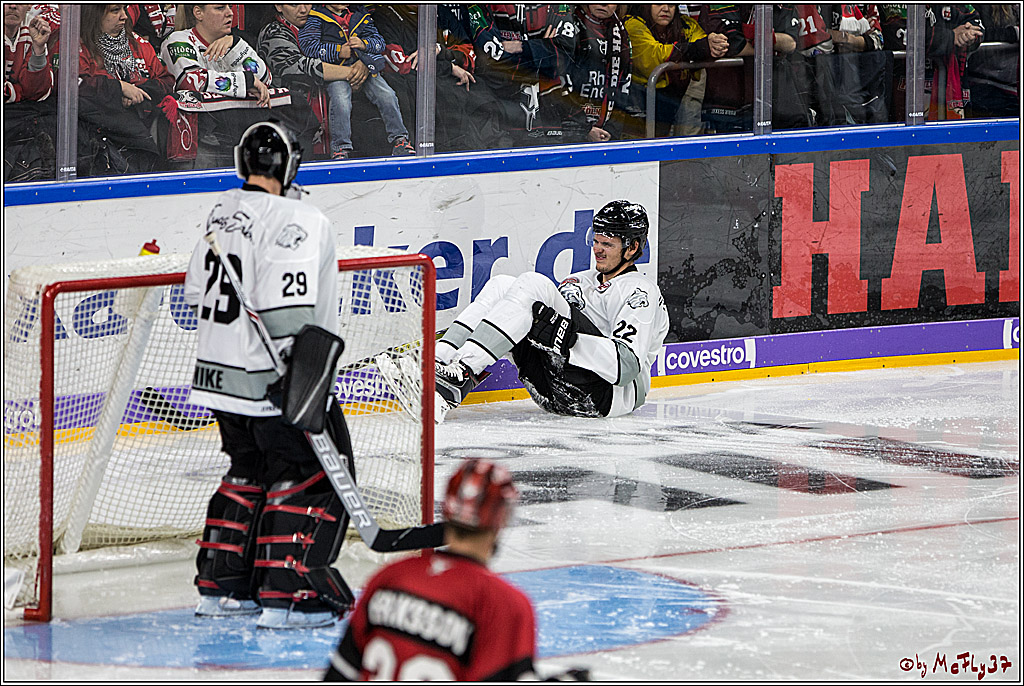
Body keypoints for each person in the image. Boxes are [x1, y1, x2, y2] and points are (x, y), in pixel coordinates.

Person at [183, 120, 356, 630]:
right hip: (273, 377)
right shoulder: (298, 218)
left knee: (248, 470)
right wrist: (295, 378)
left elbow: (195, 291)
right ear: (289, 165)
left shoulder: (220, 214)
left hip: (218, 377)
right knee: (309, 475)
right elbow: (288, 308)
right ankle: (291, 596)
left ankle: (221, 589)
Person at [433, 200, 669, 423]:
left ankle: (463, 375)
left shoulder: (640, 292)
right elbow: (526, 324)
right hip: (550, 386)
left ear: (633, 247)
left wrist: (569, 340)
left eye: (607, 244)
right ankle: (437, 361)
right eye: (596, 241)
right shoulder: (579, 280)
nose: (598, 249)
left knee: (535, 283)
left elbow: (626, 367)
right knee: (502, 284)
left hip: (604, 397)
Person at [324, 458, 539, 681]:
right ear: (502, 519)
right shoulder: (504, 604)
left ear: (446, 512)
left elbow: (340, 673)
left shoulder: (391, 576)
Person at [297, 4, 415, 159]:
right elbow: (308, 47)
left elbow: (379, 43)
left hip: (366, 68)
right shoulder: (315, 17)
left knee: (387, 95)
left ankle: (400, 140)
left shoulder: (360, 15)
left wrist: (364, 45)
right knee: (341, 100)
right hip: (336, 72)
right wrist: (339, 51)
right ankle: (340, 148)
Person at [257, 3, 370, 159]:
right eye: (294, 4)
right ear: (279, 6)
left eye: (308, 2)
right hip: (291, 132)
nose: (303, 10)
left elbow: (361, 49)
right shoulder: (273, 31)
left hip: (336, 131)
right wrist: (353, 72)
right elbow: (299, 67)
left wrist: (363, 61)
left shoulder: (323, 24)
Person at [624, 4, 729, 138]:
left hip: (668, 103)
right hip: (636, 106)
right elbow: (655, 55)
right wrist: (698, 48)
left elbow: (702, 42)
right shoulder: (632, 23)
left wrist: (715, 43)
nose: (666, 9)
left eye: (671, 4)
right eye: (658, 3)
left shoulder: (686, 24)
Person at [556, 4, 639, 143]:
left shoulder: (620, 32)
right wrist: (585, 129)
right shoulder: (568, 26)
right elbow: (558, 82)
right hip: (567, 131)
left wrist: (611, 131)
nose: (603, 3)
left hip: (605, 132)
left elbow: (624, 85)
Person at [4, 3, 53, 103]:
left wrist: (38, 48)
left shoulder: (34, 28)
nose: (13, 5)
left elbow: (39, 91)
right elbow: (31, 94)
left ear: (30, 5)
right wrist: (23, 93)